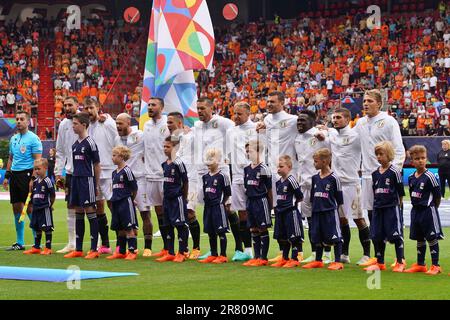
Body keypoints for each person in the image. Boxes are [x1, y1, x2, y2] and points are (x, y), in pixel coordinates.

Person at [354, 89, 405, 267]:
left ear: (379, 103)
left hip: (387, 176)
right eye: (364, 101)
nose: (365, 104)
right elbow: (348, 139)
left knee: (394, 216)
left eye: (369, 101)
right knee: (372, 215)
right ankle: (378, 256)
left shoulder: (389, 121)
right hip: (368, 176)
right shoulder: (359, 123)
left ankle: (401, 257)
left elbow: (399, 149)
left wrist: (393, 171)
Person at [194, 97, 242, 261]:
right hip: (204, 172)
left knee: (228, 209)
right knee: (209, 209)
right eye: (198, 109)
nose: (199, 112)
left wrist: (229, 158)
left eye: (202, 108)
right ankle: (213, 251)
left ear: (210, 108)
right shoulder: (197, 126)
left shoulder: (223, 123)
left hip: (221, 170)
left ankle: (239, 247)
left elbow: (237, 131)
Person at [256, 91, 298, 263]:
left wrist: (323, 130)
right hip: (273, 172)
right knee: (279, 213)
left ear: (282, 102)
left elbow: (309, 128)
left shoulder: (293, 120)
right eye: (267, 101)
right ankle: (283, 252)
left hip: (288, 172)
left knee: (291, 213)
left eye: (272, 101)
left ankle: (298, 250)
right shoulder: (266, 120)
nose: (269, 104)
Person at [328, 108, 372, 265]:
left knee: (359, 219)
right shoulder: (332, 135)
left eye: (338, 117)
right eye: (333, 117)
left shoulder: (356, 136)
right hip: (336, 185)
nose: (335, 120)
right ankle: (344, 254)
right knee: (341, 220)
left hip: (352, 183)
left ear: (348, 119)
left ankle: (367, 254)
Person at [84, 97, 121, 254]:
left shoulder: (108, 123)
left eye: (91, 107)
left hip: (109, 170)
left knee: (114, 206)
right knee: (98, 207)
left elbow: (118, 141)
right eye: (86, 108)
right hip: (93, 172)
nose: (89, 111)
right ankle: (105, 244)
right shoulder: (86, 127)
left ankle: (121, 243)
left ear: (98, 107)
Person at [295, 109, 332, 264]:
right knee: (310, 221)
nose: (300, 123)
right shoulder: (297, 138)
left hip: (320, 184)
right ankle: (315, 252)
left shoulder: (320, 135)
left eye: (303, 120)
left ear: (312, 121)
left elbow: (331, 149)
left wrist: (326, 134)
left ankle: (328, 253)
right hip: (304, 185)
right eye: (298, 121)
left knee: (324, 219)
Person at [3, 111, 43, 251]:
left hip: (27, 176)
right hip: (15, 176)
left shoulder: (34, 139)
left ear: (28, 121)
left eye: (21, 119)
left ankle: (36, 242)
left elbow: (37, 160)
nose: (18, 121)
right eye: (17, 119)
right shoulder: (13, 139)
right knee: (16, 208)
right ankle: (19, 242)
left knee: (30, 208)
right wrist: (7, 176)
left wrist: (33, 178)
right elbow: (11, 158)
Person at [363, 141, 405, 272]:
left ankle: (400, 261)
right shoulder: (375, 173)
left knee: (396, 235)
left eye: (381, 154)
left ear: (389, 154)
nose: (379, 157)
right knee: (377, 235)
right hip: (378, 208)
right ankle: (380, 262)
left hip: (391, 208)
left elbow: (400, 192)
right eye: (377, 154)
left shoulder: (394, 172)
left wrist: (398, 206)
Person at [64, 112, 101, 259]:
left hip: (87, 181)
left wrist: (95, 184)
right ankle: (78, 249)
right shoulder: (75, 144)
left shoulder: (90, 143)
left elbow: (97, 165)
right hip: (75, 180)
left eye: (75, 124)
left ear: (83, 125)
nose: (73, 126)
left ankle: (94, 249)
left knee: (90, 212)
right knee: (78, 212)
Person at [116, 113, 153, 257]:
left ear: (128, 122)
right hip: (123, 182)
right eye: (116, 124)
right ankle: (130, 247)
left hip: (139, 179)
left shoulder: (140, 135)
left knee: (145, 213)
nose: (118, 126)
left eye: (121, 123)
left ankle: (148, 247)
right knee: (124, 214)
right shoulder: (116, 138)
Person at [166, 112, 202, 259]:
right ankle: (182, 249)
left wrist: (191, 130)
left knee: (189, 213)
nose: (168, 125)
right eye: (167, 123)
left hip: (191, 181)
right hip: (176, 184)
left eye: (171, 122)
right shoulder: (171, 142)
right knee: (177, 215)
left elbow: (201, 134)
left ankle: (196, 247)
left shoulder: (190, 137)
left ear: (180, 124)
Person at [302, 148, 344, 271]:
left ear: (325, 161)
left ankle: (337, 261)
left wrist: (339, 214)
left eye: (316, 161)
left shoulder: (334, 178)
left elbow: (339, 199)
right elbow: (312, 196)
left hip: (329, 212)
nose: (314, 164)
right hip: (316, 212)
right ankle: (318, 261)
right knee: (317, 237)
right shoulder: (315, 178)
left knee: (335, 237)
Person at [405, 145, 444, 275]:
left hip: (428, 210)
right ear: (412, 161)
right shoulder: (411, 177)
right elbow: (412, 193)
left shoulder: (430, 176)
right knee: (419, 238)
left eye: (423, 158)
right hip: (416, 211)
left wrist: (433, 208)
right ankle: (420, 264)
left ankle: (435, 265)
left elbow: (437, 195)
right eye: (417, 158)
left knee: (432, 237)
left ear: (426, 159)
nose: (420, 161)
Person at [225, 102, 257, 261]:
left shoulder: (257, 128)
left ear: (248, 113)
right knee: (242, 213)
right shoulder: (230, 131)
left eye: (239, 114)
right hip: (237, 176)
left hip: (253, 175)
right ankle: (248, 250)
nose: (236, 116)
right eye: (234, 113)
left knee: (256, 212)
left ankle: (262, 250)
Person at [143, 97, 170, 257]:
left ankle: (181, 247)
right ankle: (166, 247)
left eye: (153, 105)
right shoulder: (146, 125)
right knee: (159, 211)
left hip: (165, 176)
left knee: (170, 211)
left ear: (162, 107)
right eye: (149, 105)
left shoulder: (168, 123)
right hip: (150, 175)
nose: (150, 107)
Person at [156, 136, 189, 263]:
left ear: (175, 148)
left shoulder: (179, 163)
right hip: (167, 200)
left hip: (177, 198)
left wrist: (184, 197)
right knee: (168, 225)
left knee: (180, 225)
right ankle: (170, 252)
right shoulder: (164, 164)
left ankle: (182, 251)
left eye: (168, 146)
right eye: (164, 146)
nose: (165, 149)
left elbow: (185, 181)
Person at [242, 140, 272, 267]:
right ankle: (256, 256)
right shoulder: (247, 169)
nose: (248, 154)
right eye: (247, 151)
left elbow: (269, 189)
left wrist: (270, 207)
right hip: (250, 202)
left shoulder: (264, 168)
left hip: (261, 201)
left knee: (262, 228)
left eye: (250, 151)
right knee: (253, 228)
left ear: (259, 151)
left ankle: (263, 257)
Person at [198, 148, 231, 264]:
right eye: (207, 158)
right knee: (211, 232)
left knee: (220, 231)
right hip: (208, 207)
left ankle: (223, 255)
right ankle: (213, 254)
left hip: (218, 207)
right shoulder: (205, 177)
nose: (208, 161)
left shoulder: (223, 176)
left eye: (211, 158)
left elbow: (227, 192)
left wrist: (221, 203)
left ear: (218, 160)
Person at [106, 146, 139, 260]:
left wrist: (130, 199)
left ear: (121, 157)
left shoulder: (127, 171)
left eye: (114, 155)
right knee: (119, 228)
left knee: (129, 227)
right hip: (116, 202)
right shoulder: (114, 172)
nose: (112, 158)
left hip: (125, 202)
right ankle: (121, 251)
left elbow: (134, 187)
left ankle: (132, 251)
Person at [55, 96, 78, 253]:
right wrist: (58, 173)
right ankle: (71, 243)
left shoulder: (86, 120)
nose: (68, 107)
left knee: (92, 207)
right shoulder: (63, 124)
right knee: (70, 206)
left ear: (77, 105)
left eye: (70, 105)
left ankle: (97, 243)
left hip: (86, 172)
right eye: (65, 105)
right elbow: (61, 151)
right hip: (70, 172)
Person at [271, 155, 304, 268]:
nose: (278, 169)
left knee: (294, 236)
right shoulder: (278, 182)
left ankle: (294, 258)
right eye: (277, 167)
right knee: (283, 236)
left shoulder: (292, 180)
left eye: (281, 166)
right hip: (280, 213)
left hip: (291, 212)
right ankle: (284, 258)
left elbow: (300, 196)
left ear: (289, 167)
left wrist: (292, 204)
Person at [23, 158, 55, 255]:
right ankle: (36, 247)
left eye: (38, 169)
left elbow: (53, 195)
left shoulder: (48, 181)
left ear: (45, 168)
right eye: (35, 169)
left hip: (44, 208)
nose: (36, 171)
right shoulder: (35, 182)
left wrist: (50, 205)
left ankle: (48, 248)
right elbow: (32, 195)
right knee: (37, 227)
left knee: (47, 228)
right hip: (36, 209)